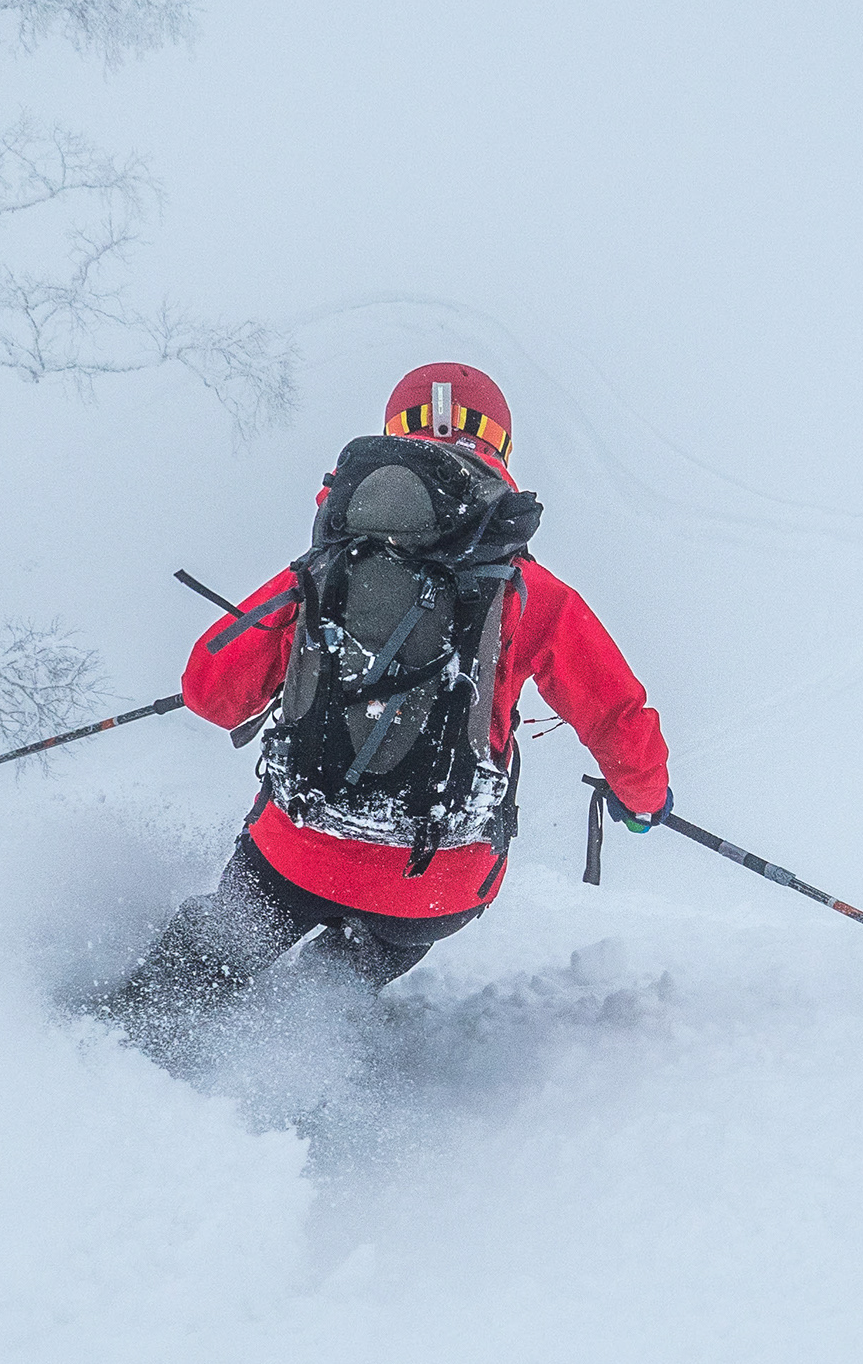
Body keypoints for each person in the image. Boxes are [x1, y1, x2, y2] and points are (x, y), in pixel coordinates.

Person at [99, 362, 671, 1046]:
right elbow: (618, 717)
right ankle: (294, 1057)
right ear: (503, 451)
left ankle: (106, 1059)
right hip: (438, 882)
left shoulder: (322, 569)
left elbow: (209, 691)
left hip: (297, 851)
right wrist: (642, 801)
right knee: (347, 974)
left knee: (210, 957)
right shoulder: (533, 593)